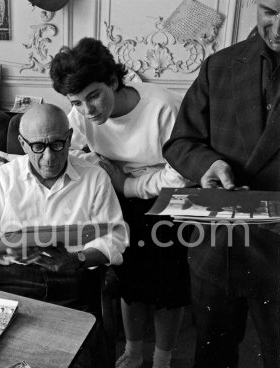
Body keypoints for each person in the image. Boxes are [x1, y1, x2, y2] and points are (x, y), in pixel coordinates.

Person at [50, 37, 192, 368]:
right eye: (77, 102)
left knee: (168, 291)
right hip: (119, 201)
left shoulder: (162, 108)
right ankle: (133, 351)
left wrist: (126, 183)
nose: (87, 110)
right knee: (129, 284)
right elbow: (70, 147)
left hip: (169, 203)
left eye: (94, 96)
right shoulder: (80, 113)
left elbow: (180, 177)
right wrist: (93, 164)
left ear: (114, 80)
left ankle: (162, 358)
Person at [162, 1, 280, 366]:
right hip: (218, 245)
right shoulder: (219, 65)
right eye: (270, 11)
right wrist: (208, 164)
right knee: (212, 351)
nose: (278, 28)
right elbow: (181, 142)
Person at [0, 103, 128, 366]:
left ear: (69, 138)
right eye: (38, 146)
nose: (49, 158)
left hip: (74, 288)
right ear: (22, 143)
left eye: (57, 144)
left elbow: (115, 238)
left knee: (77, 360)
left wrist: (76, 258)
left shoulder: (94, 179)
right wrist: (8, 246)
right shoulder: (4, 178)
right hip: (12, 286)